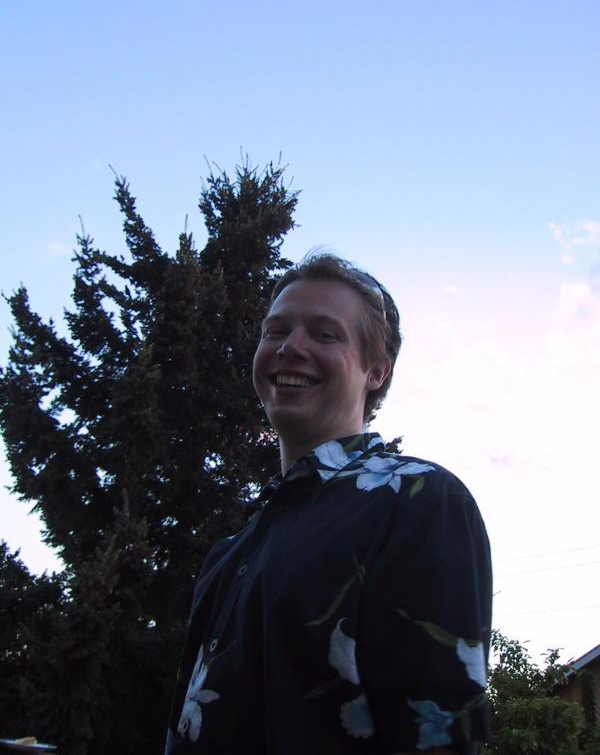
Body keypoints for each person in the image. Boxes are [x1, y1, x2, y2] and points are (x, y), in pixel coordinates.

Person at [165, 254, 492, 754]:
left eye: (324, 334)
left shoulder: (420, 501)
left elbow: (438, 736)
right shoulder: (228, 555)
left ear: (376, 371)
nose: (290, 347)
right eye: (276, 331)